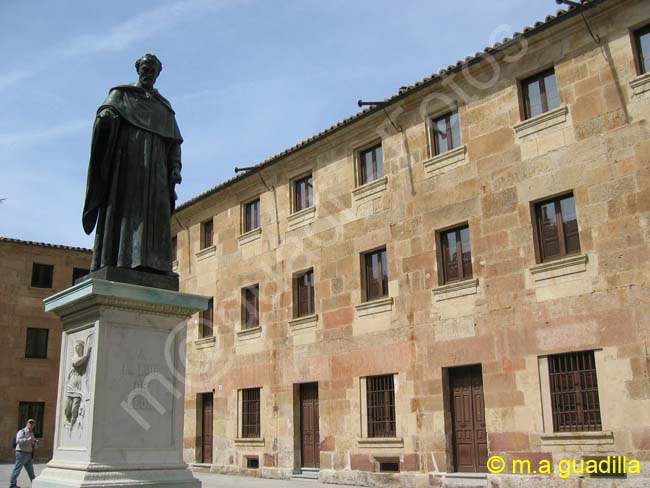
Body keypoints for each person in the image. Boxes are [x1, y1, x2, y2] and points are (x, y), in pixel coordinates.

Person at [82, 53, 183, 274]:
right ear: (138, 70)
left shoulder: (164, 108)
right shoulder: (121, 96)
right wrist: (106, 117)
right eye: (145, 69)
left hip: (156, 169)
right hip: (128, 166)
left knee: (155, 212)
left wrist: (175, 168)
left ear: (158, 74)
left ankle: (155, 264)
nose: (148, 74)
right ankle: (118, 261)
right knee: (125, 210)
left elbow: (174, 143)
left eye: (152, 70)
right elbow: (105, 115)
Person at [64, 339, 92, 428]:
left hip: (79, 384)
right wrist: (86, 356)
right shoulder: (75, 357)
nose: (77, 348)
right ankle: (67, 420)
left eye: (79, 346)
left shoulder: (82, 357)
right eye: (76, 346)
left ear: (82, 347)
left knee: (75, 406)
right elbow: (76, 363)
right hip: (71, 384)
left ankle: (73, 422)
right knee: (67, 408)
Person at [9, 419, 38, 488]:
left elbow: (32, 442)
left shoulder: (31, 433)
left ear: (34, 425)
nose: (31, 424)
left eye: (32, 423)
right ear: (27, 423)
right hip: (21, 453)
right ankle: (12, 484)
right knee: (17, 469)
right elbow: (17, 441)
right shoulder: (22, 432)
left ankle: (34, 483)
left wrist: (35, 442)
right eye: (30, 423)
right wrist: (26, 440)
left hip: (28, 454)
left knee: (31, 470)